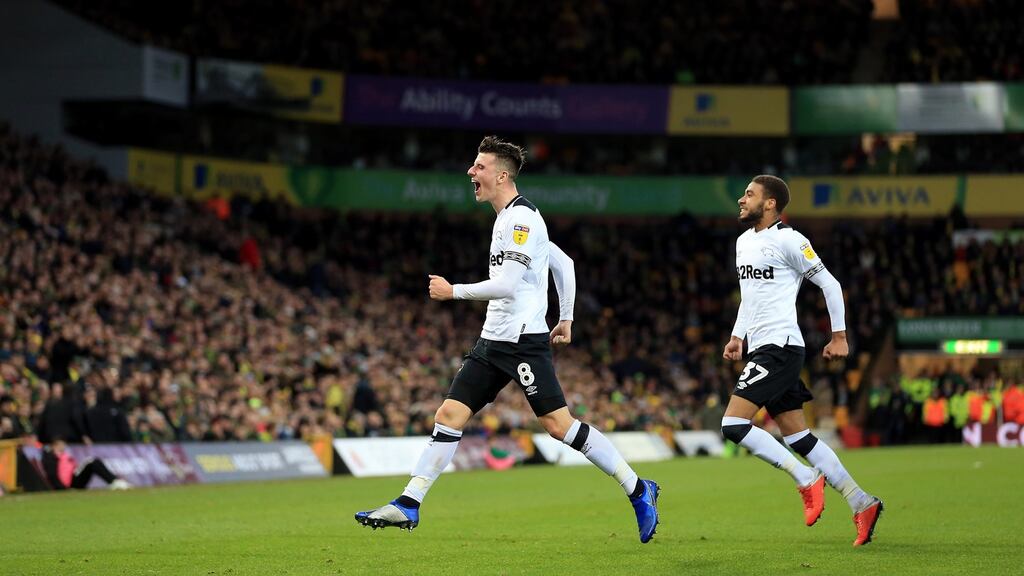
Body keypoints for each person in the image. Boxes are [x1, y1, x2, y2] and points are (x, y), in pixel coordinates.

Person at [355, 136, 660, 543]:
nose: (470, 172)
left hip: (522, 342)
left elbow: (509, 283)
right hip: (492, 342)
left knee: (558, 426)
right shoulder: (508, 218)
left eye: (478, 167)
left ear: (501, 175)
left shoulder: (521, 219)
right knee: (448, 415)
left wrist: (454, 291)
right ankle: (409, 503)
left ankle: (639, 489)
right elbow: (563, 263)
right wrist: (566, 317)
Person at [721, 175, 882, 547]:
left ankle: (806, 478)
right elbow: (750, 296)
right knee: (798, 435)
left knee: (732, 424)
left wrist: (839, 336)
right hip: (762, 347)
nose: (741, 199)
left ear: (771, 203)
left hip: (782, 347)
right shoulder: (744, 242)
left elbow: (829, 283)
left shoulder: (791, 240)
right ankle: (862, 501)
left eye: (749, 194)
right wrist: (736, 335)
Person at [41, 438, 131, 490]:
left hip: (74, 478)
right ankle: (114, 482)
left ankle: (115, 481)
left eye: (63, 445)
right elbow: (52, 474)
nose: (62, 447)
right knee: (92, 462)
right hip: (70, 482)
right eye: (60, 445)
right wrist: (61, 488)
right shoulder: (51, 457)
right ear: (54, 446)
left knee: (93, 462)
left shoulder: (65, 455)